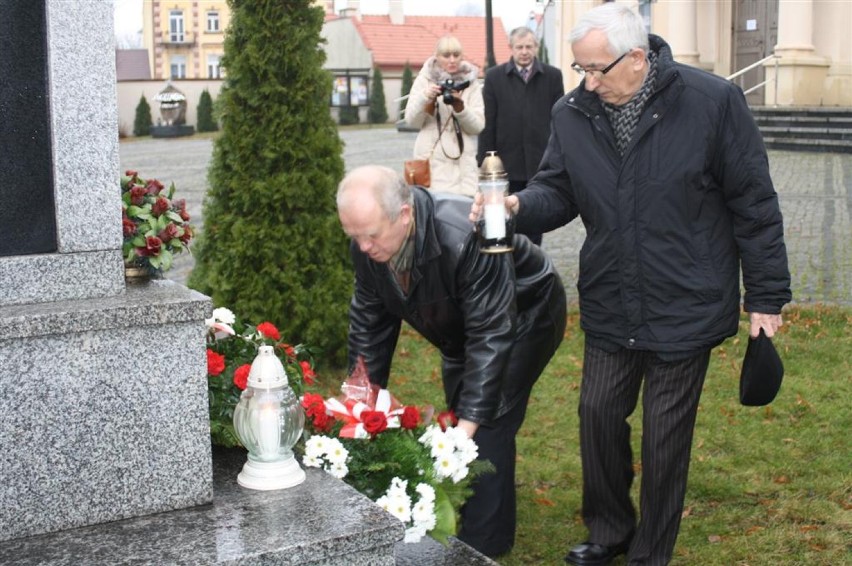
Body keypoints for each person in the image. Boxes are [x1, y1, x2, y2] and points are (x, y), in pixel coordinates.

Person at [470, 4, 791, 565]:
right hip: (612, 297)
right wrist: (519, 203)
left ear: (638, 58)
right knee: (596, 416)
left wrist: (765, 296)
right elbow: (557, 191)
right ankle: (609, 529)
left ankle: (650, 552)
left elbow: (754, 203)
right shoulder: (573, 112)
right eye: (580, 70)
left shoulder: (712, 102)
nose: (588, 83)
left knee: (664, 438)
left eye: (598, 69)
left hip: (687, 298)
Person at [336, 165, 567, 558]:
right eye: (352, 236)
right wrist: (358, 401)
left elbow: (492, 333)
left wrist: (469, 425)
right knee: (463, 414)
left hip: (525, 315)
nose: (363, 247)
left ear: (404, 214)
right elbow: (369, 327)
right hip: (462, 327)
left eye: (371, 235)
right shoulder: (368, 243)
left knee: (487, 419)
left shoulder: (465, 235)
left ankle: (481, 546)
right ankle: (471, 501)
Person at [477, 26, 564, 245]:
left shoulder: (552, 76)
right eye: (519, 47)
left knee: (534, 215)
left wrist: (560, 155)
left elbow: (560, 120)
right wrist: (485, 159)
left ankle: (532, 261)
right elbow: (488, 122)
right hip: (506, 162)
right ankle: (508, 261)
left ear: (535, 47)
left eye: (528, 46)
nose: (524, 51)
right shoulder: (494, 77)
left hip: (540, 161)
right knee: (502, 215)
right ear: (511, 48)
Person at [404, 36, 484, 196]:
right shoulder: (424, 80)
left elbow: (478, 127)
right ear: (436, 56)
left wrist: (460, 107)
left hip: (463, 168)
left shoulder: (470, 83)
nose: (452, 60)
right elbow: (412, 121)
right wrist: (425, 97)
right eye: (446, 56)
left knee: (462, 216)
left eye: (456, 55)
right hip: (431, 166)